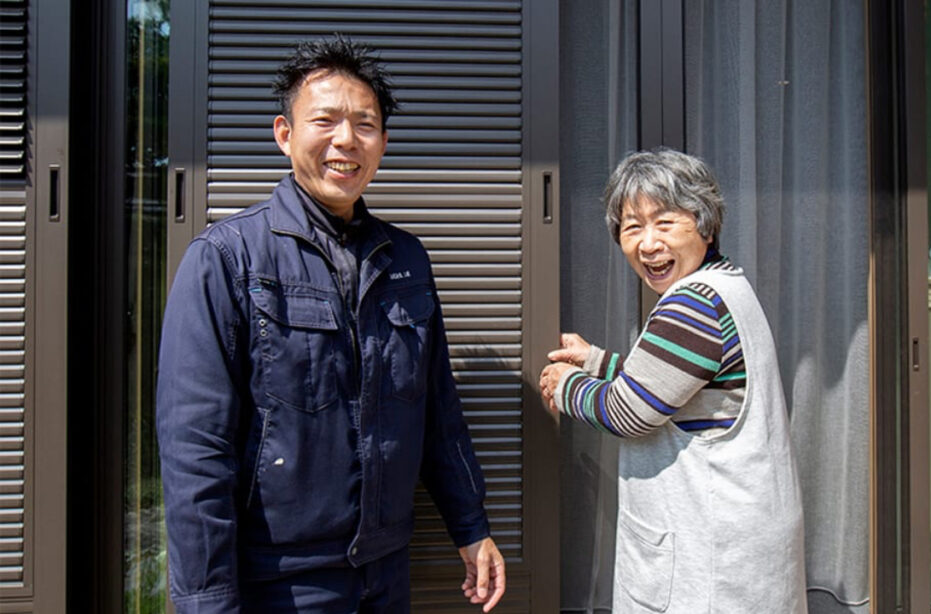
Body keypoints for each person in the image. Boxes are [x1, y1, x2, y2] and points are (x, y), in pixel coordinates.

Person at [156, 35, 505, 613]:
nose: (346, 140)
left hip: (385, 574)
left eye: (365, 124)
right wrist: (207, 601)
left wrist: (471, 526)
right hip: (279, 581)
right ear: (284, 134)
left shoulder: (406, 259)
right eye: (325, 121)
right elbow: (196, 449)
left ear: (383, 143)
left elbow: (438, 412)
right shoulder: (228, 257)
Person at [539, 149, 807, 612]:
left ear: (705, 225)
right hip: (742, 543)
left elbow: (629, 412)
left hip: (711, 560)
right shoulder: (726, 284)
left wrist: (564, 385)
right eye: (632, 228)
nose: (648, 244)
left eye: (665, 223)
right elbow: (681, 384)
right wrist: (598, 362)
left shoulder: (692, 304)